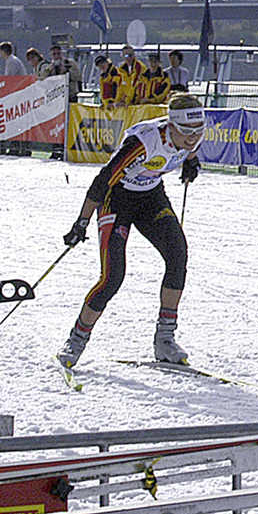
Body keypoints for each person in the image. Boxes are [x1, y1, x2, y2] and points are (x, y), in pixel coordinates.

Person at [56, 93, 206, 368]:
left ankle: (165, 340)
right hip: (118, 198)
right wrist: (81, 222)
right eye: (186, 131)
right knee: (113, 277)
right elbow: (102, 181)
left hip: (150, 197)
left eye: (198, 131)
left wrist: (191, 161)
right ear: (171, 125)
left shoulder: (192, 134)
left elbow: (189, 147)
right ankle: (76, 340)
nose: (193, 137)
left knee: (178, 255)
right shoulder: (144, 142)